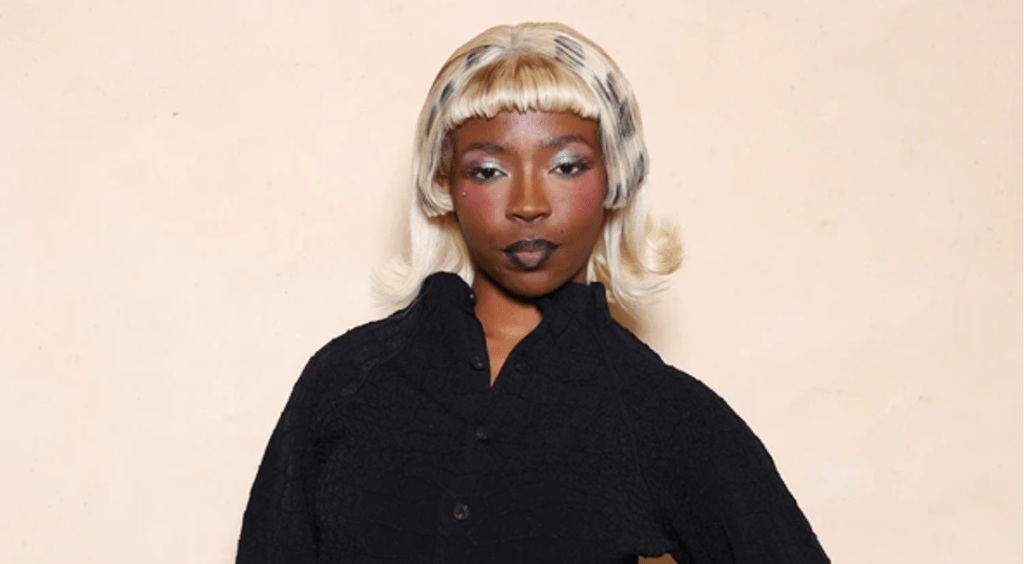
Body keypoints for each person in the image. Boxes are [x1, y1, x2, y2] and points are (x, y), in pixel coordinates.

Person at [237, 22, 830, 563]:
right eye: (488, 170)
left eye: (566, 166)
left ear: (615, 178)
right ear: (443, 181)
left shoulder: (657, 410)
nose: (528, 204)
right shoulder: (344, 381)